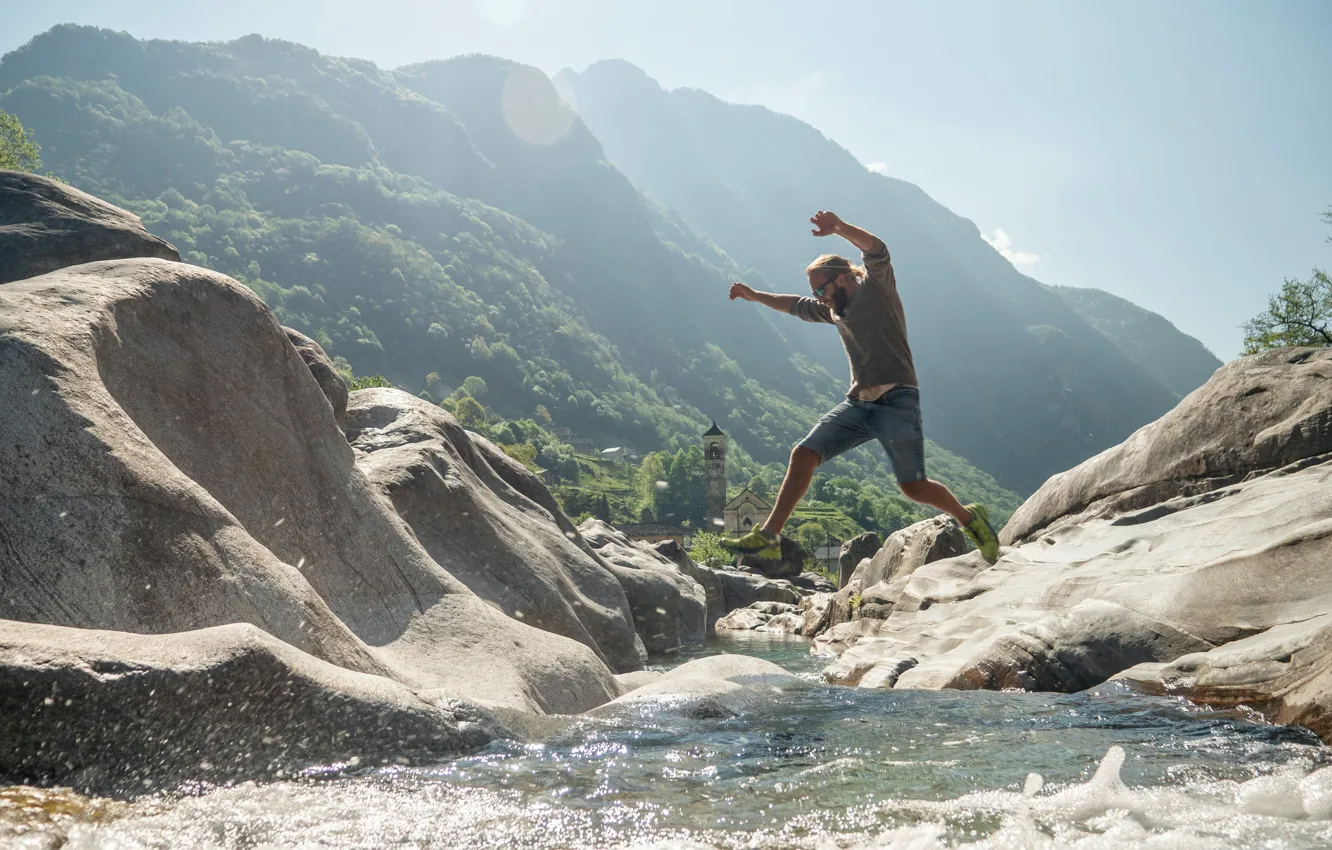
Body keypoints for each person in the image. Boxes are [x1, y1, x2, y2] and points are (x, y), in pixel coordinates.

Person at [721, 210, 1001, 563]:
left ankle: (969, 519)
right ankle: (769, 536)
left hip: (897, 400)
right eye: (816, 292)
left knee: (914, 487)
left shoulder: (877, 288)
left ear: (843, 279)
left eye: (822, 288)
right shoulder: (833, 309)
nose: (819, 297)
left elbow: (877, 250)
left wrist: (838, 228)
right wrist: (753, 296)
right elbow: (795, 305)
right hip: (858, 404)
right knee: (803, 455)